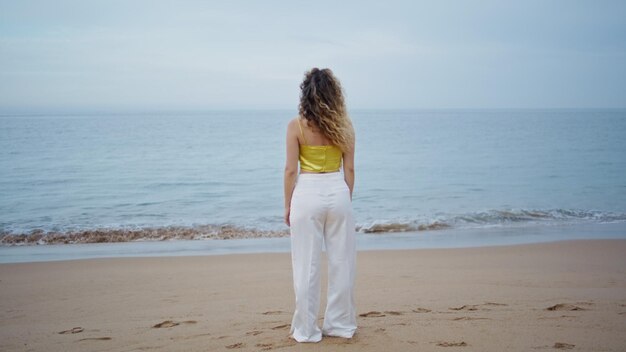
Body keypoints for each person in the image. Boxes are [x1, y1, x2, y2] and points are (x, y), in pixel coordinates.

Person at [283, 68, 357, 343]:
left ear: (306, 95)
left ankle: (306, 329)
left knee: (306, 264)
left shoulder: (296, 126)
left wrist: (287, 205)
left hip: (307, 193)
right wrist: (344, 197)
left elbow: (291, 171)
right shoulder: (346, 126)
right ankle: (340, 324)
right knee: (342, 261)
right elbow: (349, 169)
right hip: (338, 191)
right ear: (335, 95)